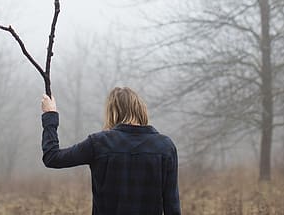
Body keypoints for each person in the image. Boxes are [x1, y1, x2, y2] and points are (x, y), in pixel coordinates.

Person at [40, 86, 181, 215]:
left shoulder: (98, 143)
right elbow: (172, 207)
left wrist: (50, 115)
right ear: (140, 109)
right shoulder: (165, 147)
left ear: (112, 112)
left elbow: (52, 157)